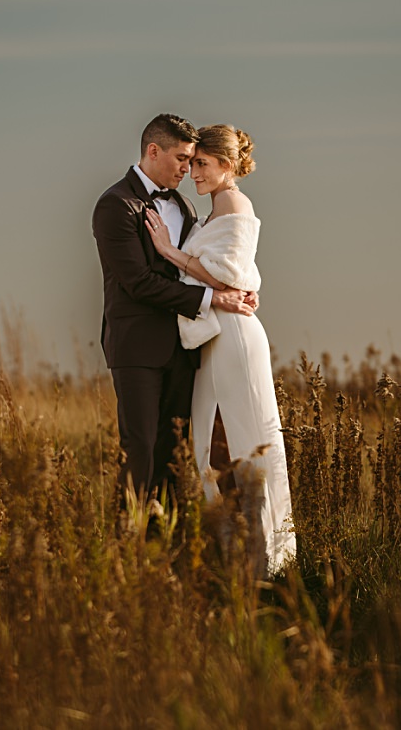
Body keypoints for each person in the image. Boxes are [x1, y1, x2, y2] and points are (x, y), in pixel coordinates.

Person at [143, 124, 296, 575]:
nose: (193, 174)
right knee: (214, 445)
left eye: (202, 165)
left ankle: (259, 562)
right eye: (190, 165)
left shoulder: (231, 202)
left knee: (237, 441)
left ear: (227, 166)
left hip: (232, 337)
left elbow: (228, 277)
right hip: (216, 336)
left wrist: (170, 252)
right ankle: (236, 556)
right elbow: (237, 276)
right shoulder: (214, 208)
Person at [92, 114, 257, 507]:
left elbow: (215, 260)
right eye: (183, 158)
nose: (188, 168)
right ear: (153, 151)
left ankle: (164, 545)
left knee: (176, 452)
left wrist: (244, 289)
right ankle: (127, 547)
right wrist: (214, 299)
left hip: (185, 348)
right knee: (141, 448)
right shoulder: (115, 205)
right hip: (138, 349)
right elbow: (139, 284)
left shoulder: (183, 206)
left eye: (194, 160)